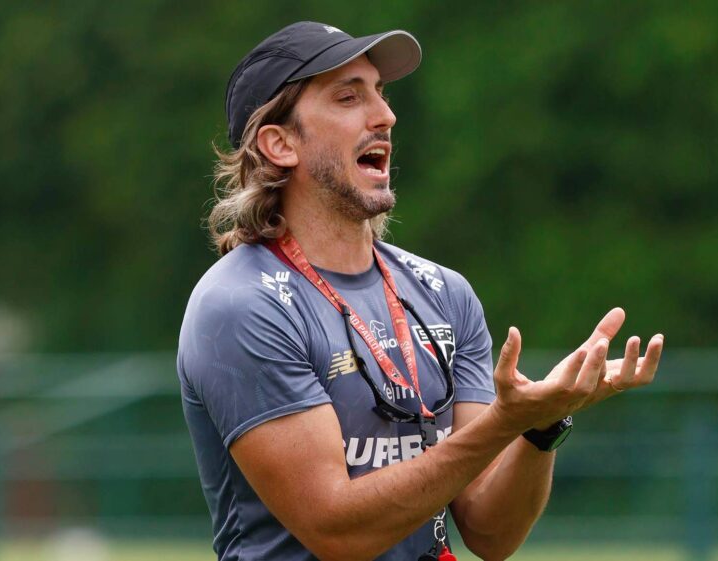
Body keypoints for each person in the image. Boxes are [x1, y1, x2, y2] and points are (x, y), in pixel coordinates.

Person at [177, 21, 664, 561]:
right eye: (348, 96)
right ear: (280, 142)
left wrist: (540, 427)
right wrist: (506, 421)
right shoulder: (243, 304)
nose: (384, 115)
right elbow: (338, 531)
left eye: (380, 94)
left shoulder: (444, 293)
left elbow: (490, 531)